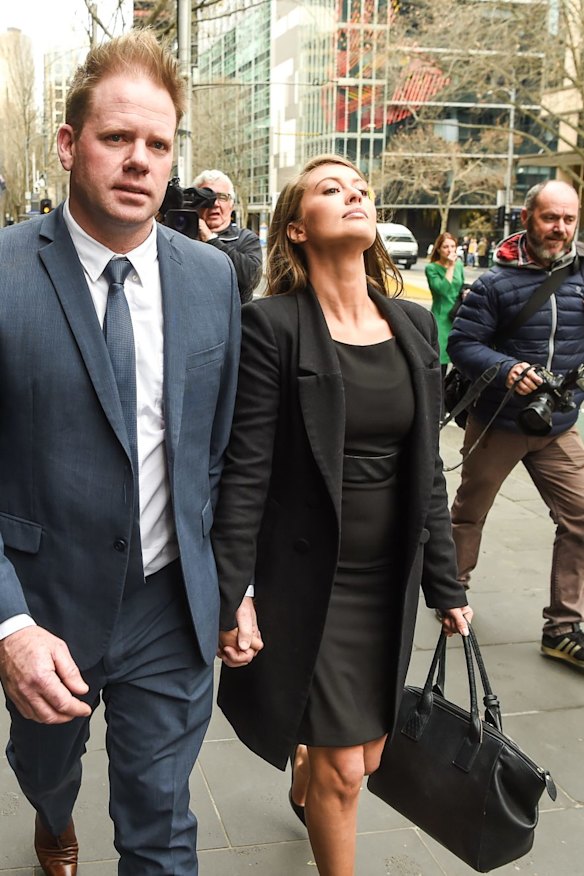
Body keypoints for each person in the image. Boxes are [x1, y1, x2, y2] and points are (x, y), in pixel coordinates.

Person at [0, 29, 240, 875]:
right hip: (46, 604)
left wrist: (230, 585)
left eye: (158, 144)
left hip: (170, 610)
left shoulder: (212, 281)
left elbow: (222, 454)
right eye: (116, 138)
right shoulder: (3, 275)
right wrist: (10, 624)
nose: (139, 161)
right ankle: (49, 813)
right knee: (44, 768)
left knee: (161, 819)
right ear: (69, 145)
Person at [210, 154, 473, 876]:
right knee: (347, 773)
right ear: (296, 228)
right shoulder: (272, 327)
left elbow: (428, 472)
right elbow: (246, 474)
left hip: (387, 580)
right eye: (332, 189)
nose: (355, 195)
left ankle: (308, 765)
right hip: (311, 584)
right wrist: (233, 594)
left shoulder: (414, 327)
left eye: (360, 189)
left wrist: (446, 585)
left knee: (373, 750)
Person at [448, 179, 584, 670]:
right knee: (468, 514)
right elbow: (462, 346)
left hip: (558, 425)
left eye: (569, 219)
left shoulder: (580, 275)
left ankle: (563, 628)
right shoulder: (494, 282)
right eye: (551, 218)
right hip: (497, 422)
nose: (561, 229)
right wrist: (508, 370)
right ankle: (451, 597)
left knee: (581, 517)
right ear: (527, 218)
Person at [192, 168, 263, 303]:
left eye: (222, 197)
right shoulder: (182, 235)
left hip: (232, 322)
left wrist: (210, 239)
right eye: (207, 197)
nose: (215, 204)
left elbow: (251, 277)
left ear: (231, 205)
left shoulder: (245, 238)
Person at [425, 231, 466, 384]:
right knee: (440, 361)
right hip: (441, 318)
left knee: (459, 362)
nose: (450, 250)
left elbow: (461, 285)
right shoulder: (431, 269)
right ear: (438, 249)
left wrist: (465, 291)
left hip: (457, 316)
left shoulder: (460, 265)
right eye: (445, 247)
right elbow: (441, 290)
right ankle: (438, 402)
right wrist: (450, 266)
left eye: (453, 246)